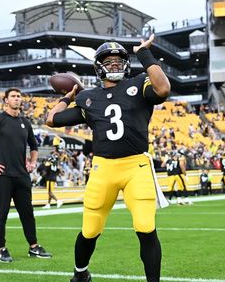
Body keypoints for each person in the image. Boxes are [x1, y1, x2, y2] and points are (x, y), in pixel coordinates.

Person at [46, 35, 170, 282]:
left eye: (118, 60)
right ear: (99, 66)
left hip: (136, 166)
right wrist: (67, 97)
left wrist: (144, 54)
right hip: (103, 169)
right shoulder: (88, 98)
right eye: (108, 60)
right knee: (90, 230)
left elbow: (163, 88)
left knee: (146, 228)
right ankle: (81, 273)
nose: (114, 64)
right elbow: (52, 120)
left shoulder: (139, 84)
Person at [0, 87, 52, 263]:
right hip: (3, 176)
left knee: (27, 214)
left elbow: (34, 146)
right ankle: (1, 249)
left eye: (19, 96)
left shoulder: (26, 122)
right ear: (6, 100)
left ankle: (34, 247)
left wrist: (32, 162)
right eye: (13, 97)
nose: (17, 99)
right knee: (1, 214)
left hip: (22, 176)